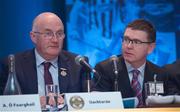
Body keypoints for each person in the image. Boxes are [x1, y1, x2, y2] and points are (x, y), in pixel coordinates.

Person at [0, 12, 87, 107]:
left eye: (59, 33)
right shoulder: (14, 65)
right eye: (48, 34)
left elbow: (90, 98)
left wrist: (66, 102)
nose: (55, 40)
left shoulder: (78, 63)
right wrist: (36, 103)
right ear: (33, 37)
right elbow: (5, 103)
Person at [93, 19, 175, 107]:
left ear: (150, 48)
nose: (128, 46)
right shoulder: (105, 70)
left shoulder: (161, 74)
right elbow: (98, 106)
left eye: (136, 42)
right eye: (126, 39)